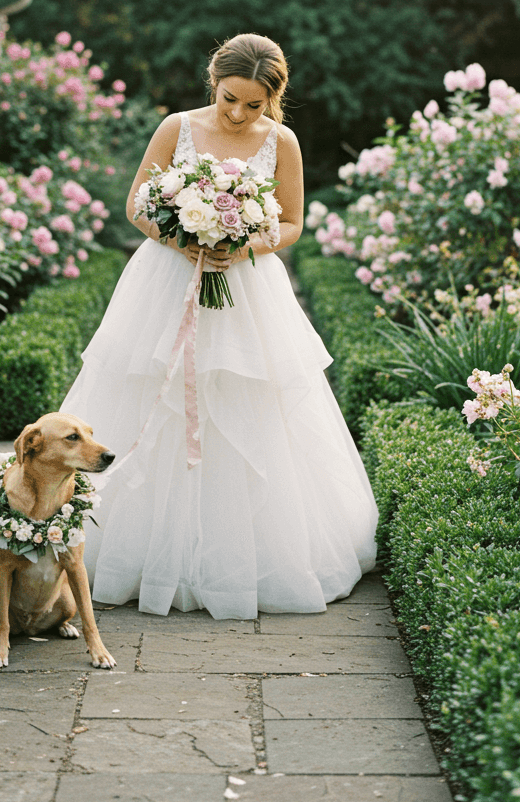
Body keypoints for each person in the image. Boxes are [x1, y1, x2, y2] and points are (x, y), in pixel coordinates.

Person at [60, 33, 378, 619]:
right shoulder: (176, 127)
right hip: (166, 282)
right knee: (156, 400)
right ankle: (137, 552)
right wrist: (183, 238)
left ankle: (241, 559)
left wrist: (248, 242)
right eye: (230, 98)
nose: (238, 113)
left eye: (253, 105)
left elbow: (291, 223)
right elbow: (136, 205)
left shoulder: (281, 141)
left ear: (272, 100)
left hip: (246, 291)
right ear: (214, 81)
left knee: (242, 402)